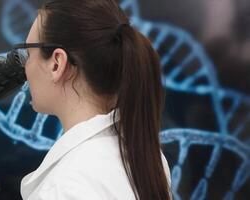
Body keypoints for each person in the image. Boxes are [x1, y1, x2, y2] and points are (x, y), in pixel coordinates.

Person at [16, 0, 171, 199]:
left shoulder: (63, 187)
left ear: (57, 64)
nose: (25, 67)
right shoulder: (147, 159)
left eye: (28, 54)